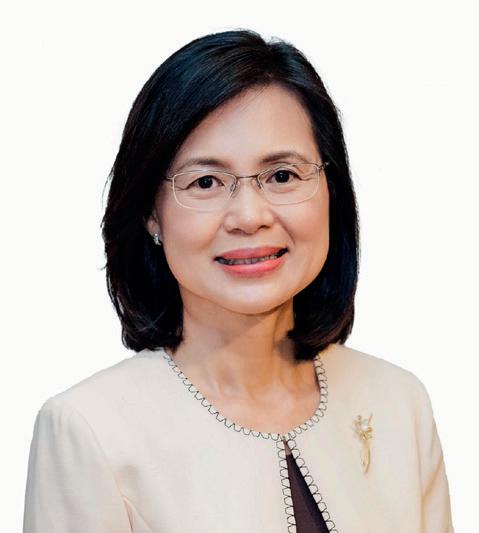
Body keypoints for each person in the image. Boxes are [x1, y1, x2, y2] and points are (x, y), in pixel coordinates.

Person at [23, 29, 454, 532]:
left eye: (282, 176)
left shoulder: (399, 402)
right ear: (150, 213)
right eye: (205, 182)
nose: (250, 217)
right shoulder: (88, 430)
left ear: (331, 191)